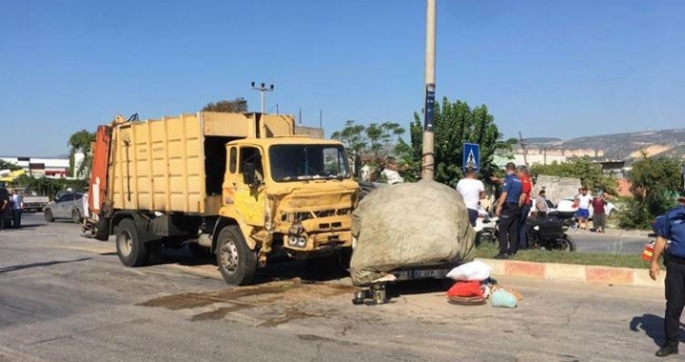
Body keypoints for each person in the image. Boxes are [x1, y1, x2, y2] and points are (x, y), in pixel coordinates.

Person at [649, 195, 685, 357]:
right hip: (676, 266)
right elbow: (662, 238)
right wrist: (654, 262)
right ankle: (671, 344)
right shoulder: (672, 215)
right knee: (673, 306)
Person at [494, 163, 523, 259]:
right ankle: (512, 251)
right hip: (516, 207)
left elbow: (504, 194)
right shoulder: (518, 181)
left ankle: (503, 252)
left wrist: (498, 206)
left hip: (508, 207)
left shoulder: (509, 180)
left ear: (507, 169)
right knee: (513, 230)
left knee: (502, 228)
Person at [517, 166, 532, 249]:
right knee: (521, 226)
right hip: (524, 205)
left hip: (523, 205)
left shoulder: (525, 180)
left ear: (522, 172)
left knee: (518, 225)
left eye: (517, 172)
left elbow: (523, 196)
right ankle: (522, 245)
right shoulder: (522, 180)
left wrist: (518, 207)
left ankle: (521, 245)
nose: (517, 174)